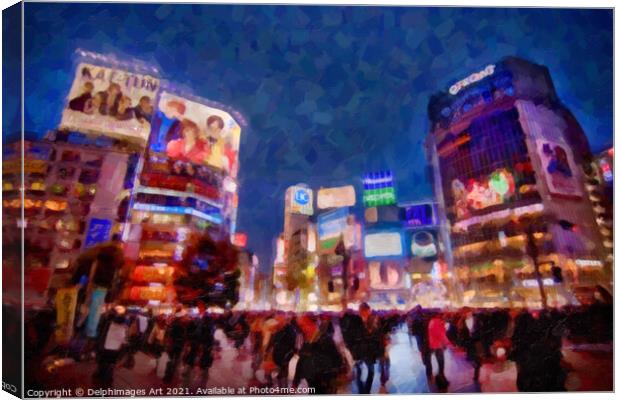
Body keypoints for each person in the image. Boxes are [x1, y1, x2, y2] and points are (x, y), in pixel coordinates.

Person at [293, 314, 343, 394]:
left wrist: (330, 379)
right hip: (312, 383)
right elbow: (301, 361)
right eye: (300, 326)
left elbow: (337, 361)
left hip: (324, 385)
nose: (303, 329)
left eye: (303, 325)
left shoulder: (325, 340)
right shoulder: (307, 341)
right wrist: (295, 381)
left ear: (312, 324)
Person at [341, 303, 381, 394]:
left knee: (371, 371)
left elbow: (376, 335)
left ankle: (366, 391)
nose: (367, 312)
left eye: (367, 311)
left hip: (369, 350)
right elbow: (352, 336)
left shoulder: (372, 320)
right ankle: (361, 391)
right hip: (359, 350)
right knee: (359, 371)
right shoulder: (355, 321)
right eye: (365, 310)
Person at [93, 305, 128, 388]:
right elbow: (123, 340)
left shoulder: (109, 324)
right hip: (113, 349)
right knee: (109, 363)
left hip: (106, 347)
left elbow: (101, 332)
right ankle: (106, 378)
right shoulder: (122, 328)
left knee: (103, 362)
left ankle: (102, 376)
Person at [457, 308, 484, 385]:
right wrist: (463, 342)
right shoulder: (462, 322)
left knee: (477, 359)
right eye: (466, 313)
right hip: (469, 343)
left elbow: (481, 330)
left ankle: (476, 374)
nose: (468, 314)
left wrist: (475, 334)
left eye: (469, 312)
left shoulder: (477, 320)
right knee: (472, 359)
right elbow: (461, 334)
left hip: (477, 342)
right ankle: (476, 367)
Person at [163, 307, 189, 384]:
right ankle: (169, 377)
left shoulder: (173, 324)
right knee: (174, 361)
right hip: (177, 345)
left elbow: (169, 335)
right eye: (183, 317)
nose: (184, 318)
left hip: (173, 345)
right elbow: (179, 336)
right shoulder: (180, 325)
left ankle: (167, 376)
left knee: (171, 360)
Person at [408, 305, 432, 380]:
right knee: (426, 353)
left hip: (421, 337)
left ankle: (426, 364)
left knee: (423, 351)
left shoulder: (415, 318)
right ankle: (428, 371)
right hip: (425, 337)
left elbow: (413, 330)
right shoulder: (426, 317)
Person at [428, 312, 450, 389]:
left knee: (440, 364)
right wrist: (446, 343)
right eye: (442, 314)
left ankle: (442, 381)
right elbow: (440, 334)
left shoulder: (431, 321)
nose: (443, 315)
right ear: (438, 314)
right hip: (438, 345)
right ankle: (441, 383)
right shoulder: (437, 321)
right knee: (441, 365)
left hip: (435, 345)